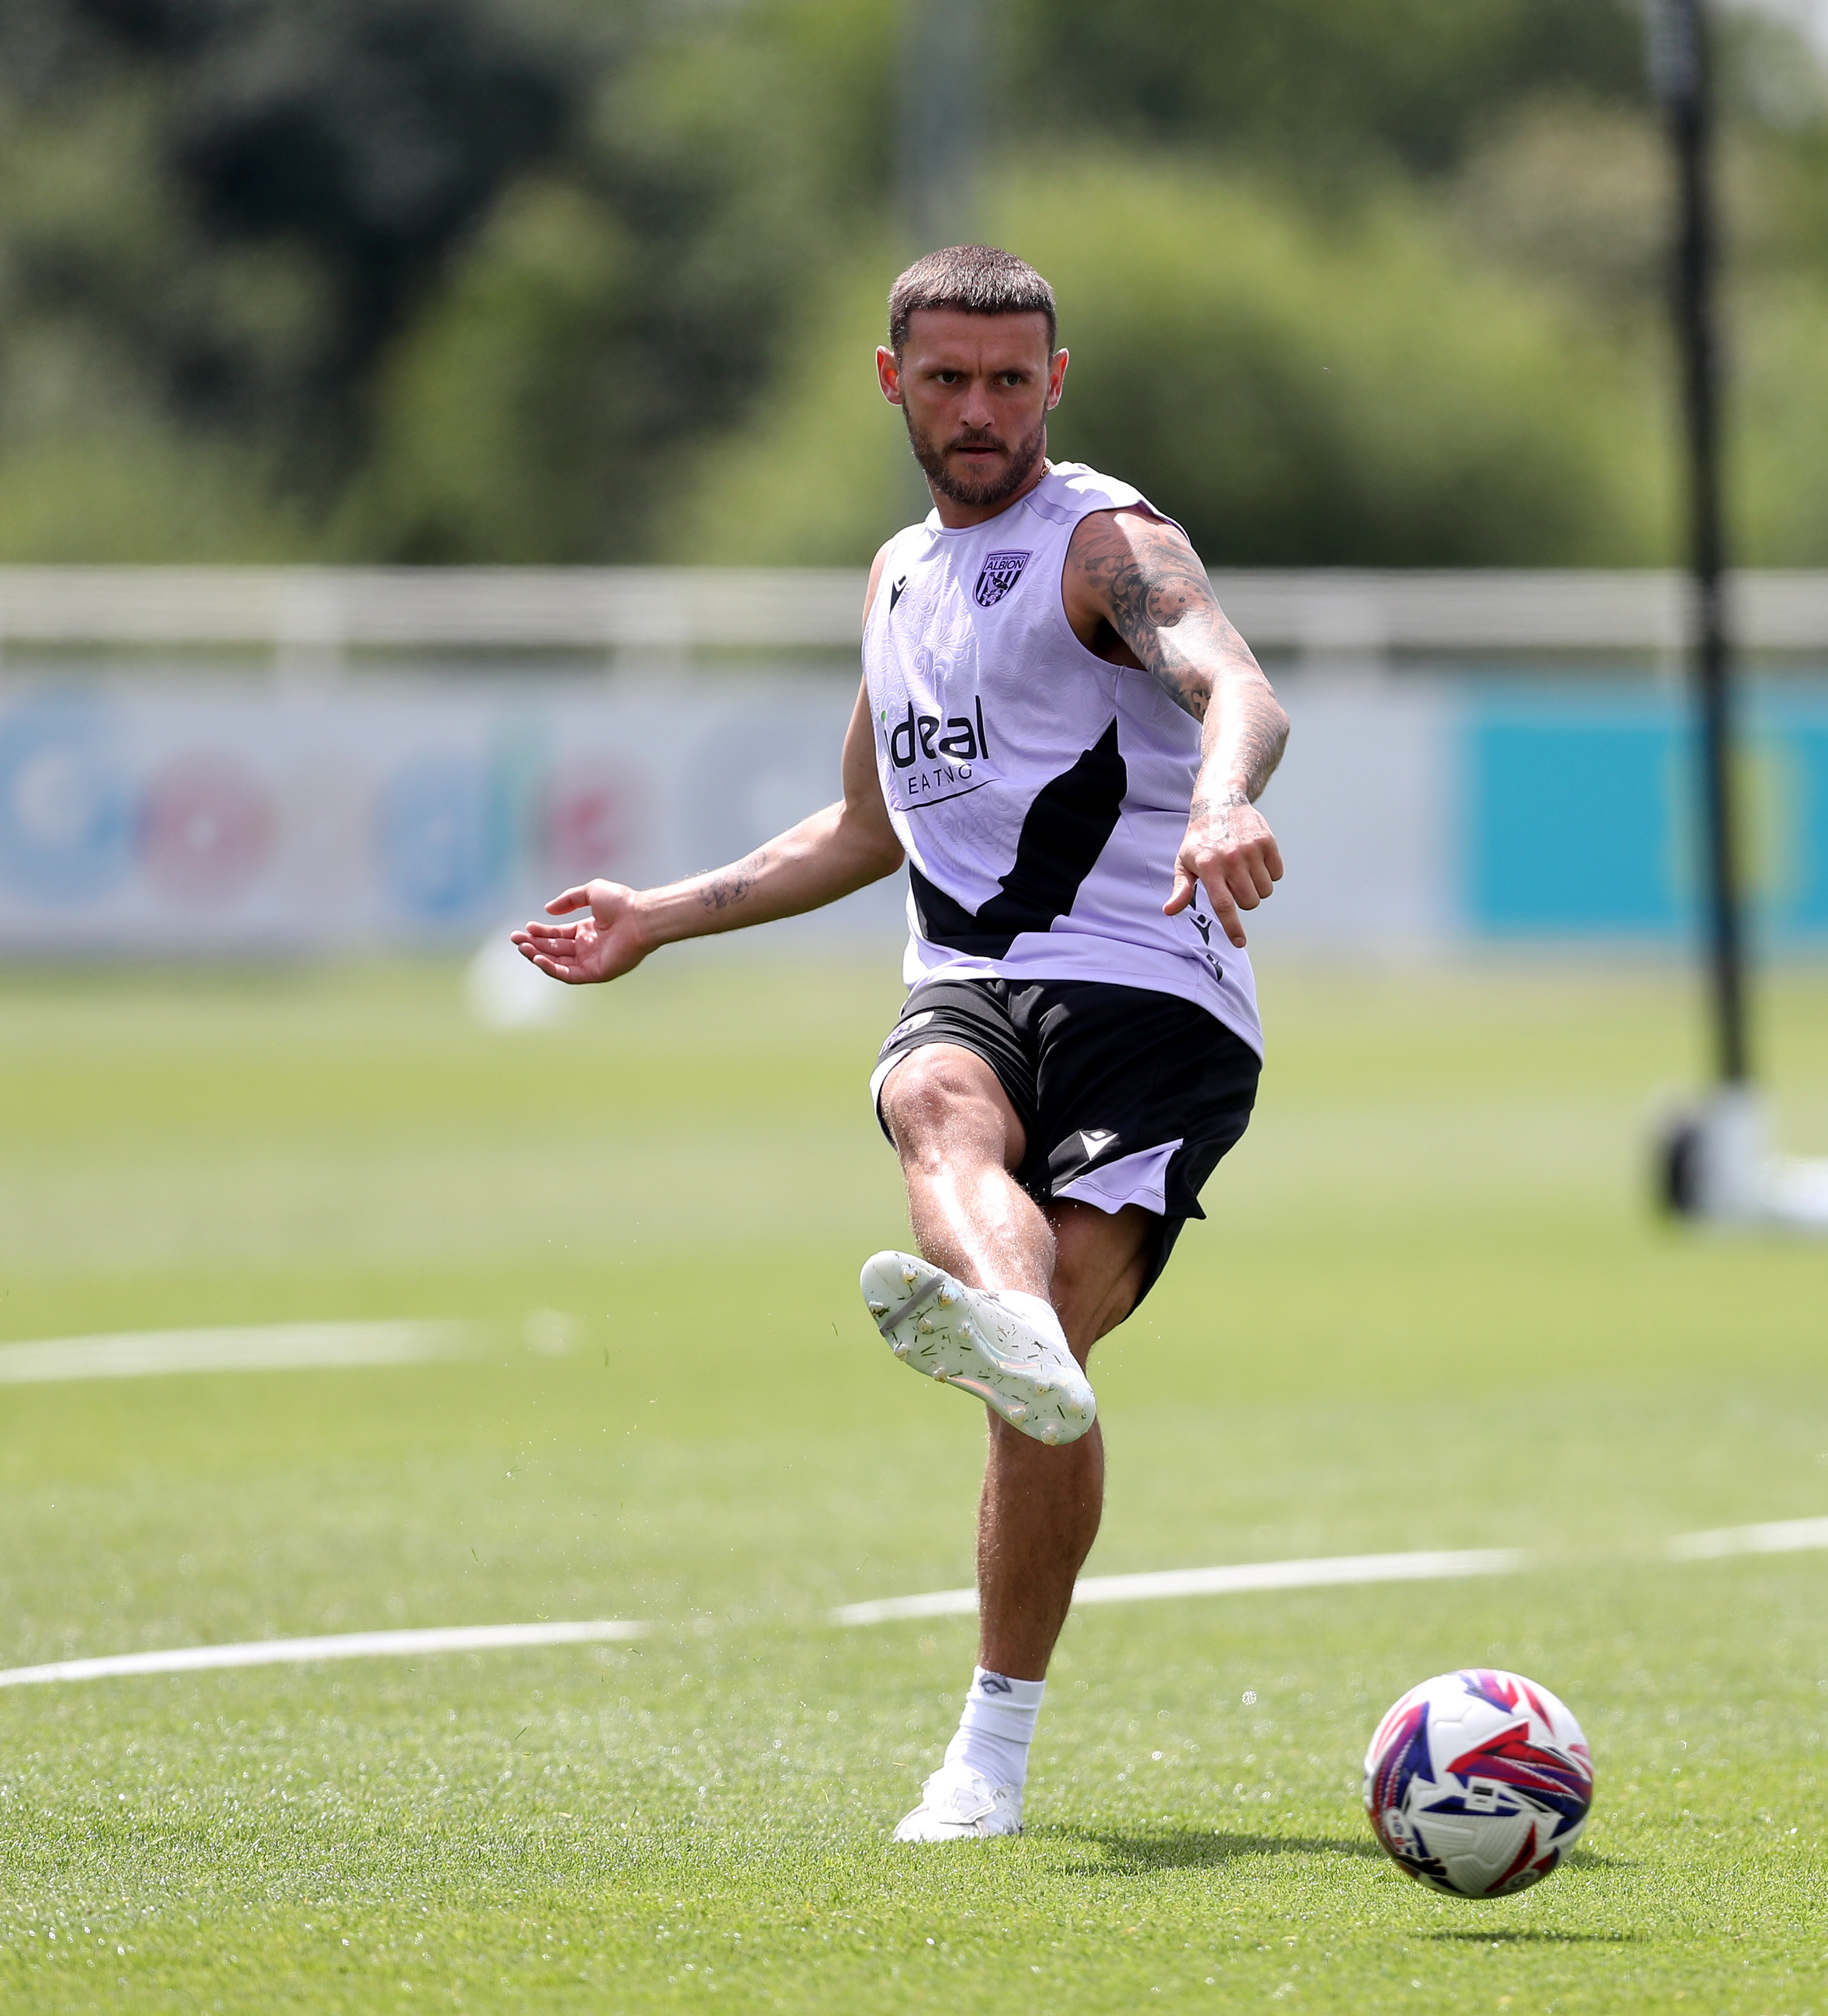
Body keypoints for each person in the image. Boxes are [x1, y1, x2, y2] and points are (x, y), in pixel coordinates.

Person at [513, 244, 1288, 1842]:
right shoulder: (894, 580)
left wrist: (1221, 799)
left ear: (1055, 383)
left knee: (1039, 1380)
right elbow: (868, 826)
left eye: (1014, 378)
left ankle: (991, 1723)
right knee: (935, 1094)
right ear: (893, 382)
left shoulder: (1104, 539)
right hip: (975, 983)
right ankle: (1007, 1367)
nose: (982, 408)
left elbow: (1234, 679)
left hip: (1155, 991)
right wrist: (662, 911)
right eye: (949, 378)